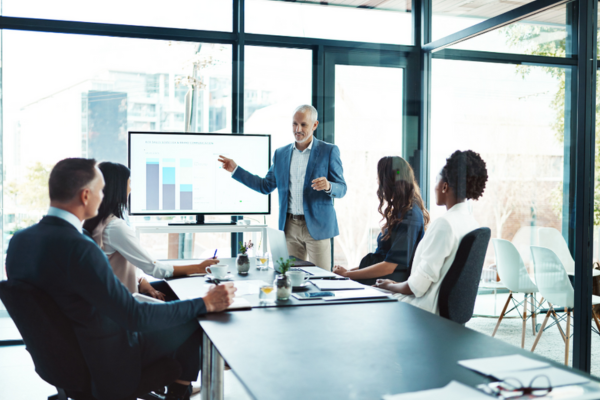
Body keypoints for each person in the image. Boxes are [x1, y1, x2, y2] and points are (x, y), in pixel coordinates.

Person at [5, 158, 236, 400]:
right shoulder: (80, 248)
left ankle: (179, 388)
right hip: (109, 361)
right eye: (101, 190)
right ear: (86, 196)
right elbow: (134, 317)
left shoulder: (20, 241)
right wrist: (205, 303)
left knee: (178, 312)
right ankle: (179, 391)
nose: (104, 196)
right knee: (196, 319)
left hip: (63, 360)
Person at [218, 104, 346, 271]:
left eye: (303, 125)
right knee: (290, 277)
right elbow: (265, 186)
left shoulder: (329, 151)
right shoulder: (281, 154)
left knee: (321, 279)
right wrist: (236, 169)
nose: (297, 129)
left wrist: (329, 186)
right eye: (294, 124)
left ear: (315, 125)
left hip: (318, 227)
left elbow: (342, 188)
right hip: (289, 227)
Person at [83, 162, 219, 300]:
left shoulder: (96, 222)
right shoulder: (115, 227)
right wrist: (199, 268)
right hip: (123, 306)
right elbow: (155, 269)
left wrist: (141, 281)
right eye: (129, 184)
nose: (130, 189)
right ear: (118, 188)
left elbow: (112, 268)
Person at [376, 150, 488, 315]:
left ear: (444, 186)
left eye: (436, 180)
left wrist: (389, 286)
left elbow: (417, 288)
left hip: (422, 310)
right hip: (440, 312)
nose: (434, 186)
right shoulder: (471, 223)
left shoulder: (445, 224)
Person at [332, 156, 428, 285]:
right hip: (380, 280)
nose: (378, 181)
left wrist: (348, 274)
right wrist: (347, 272)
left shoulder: (410, 216)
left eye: (380, 178)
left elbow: (389, 266)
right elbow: (382, 259)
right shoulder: (402, 211)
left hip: (387, 284)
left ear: (389, 182)